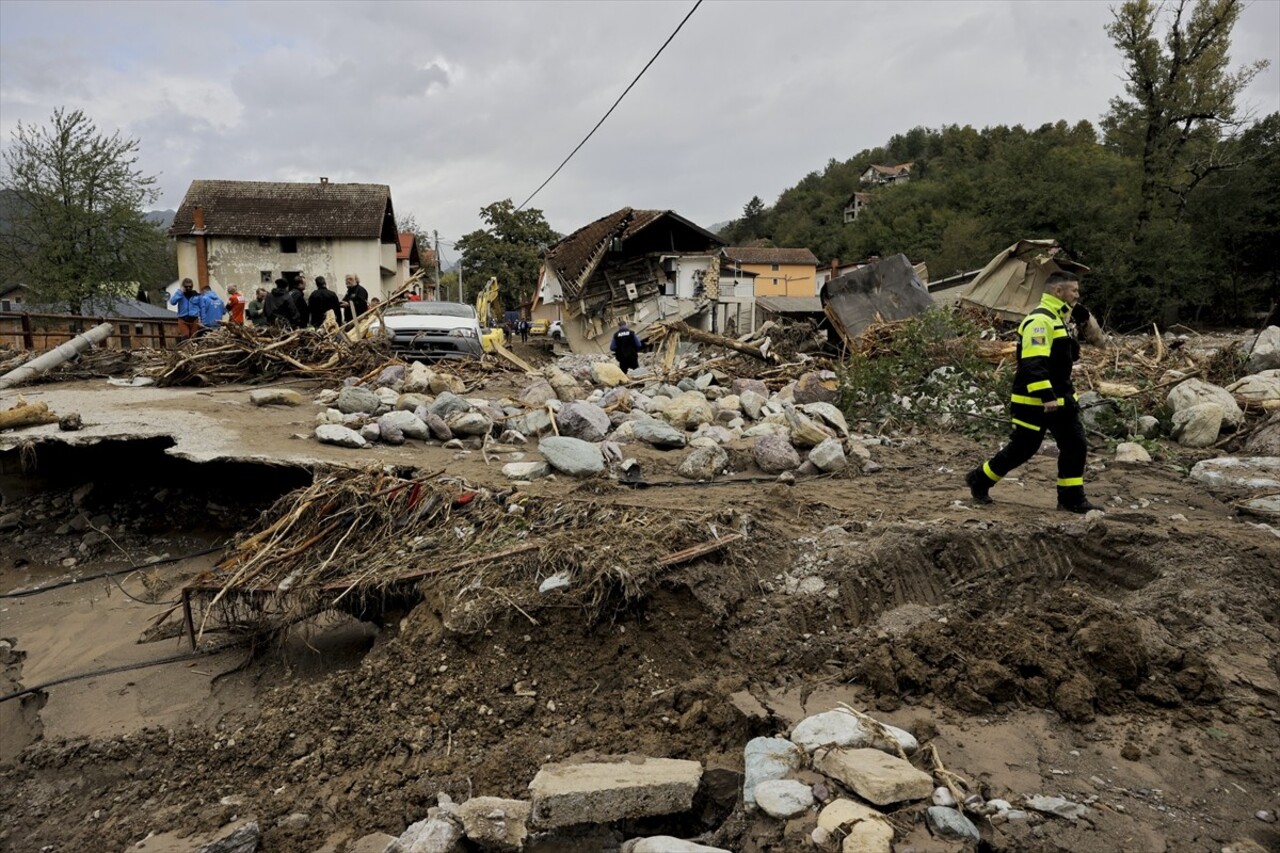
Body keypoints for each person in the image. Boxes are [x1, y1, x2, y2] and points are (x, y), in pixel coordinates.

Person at [966, 271, 1101, 514]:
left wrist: (1080, 324)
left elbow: (1067, 358)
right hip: (1035, 402)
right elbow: (1033, 364)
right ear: (1058, 292)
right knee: (1023, 449)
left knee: (1075, 445)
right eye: (1074, 290)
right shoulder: (1040, 320)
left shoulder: (1059, 319)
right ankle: (980, 479)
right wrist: (1047, 397)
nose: (1077, 295)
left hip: (1062, 400)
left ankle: (1071, 499)